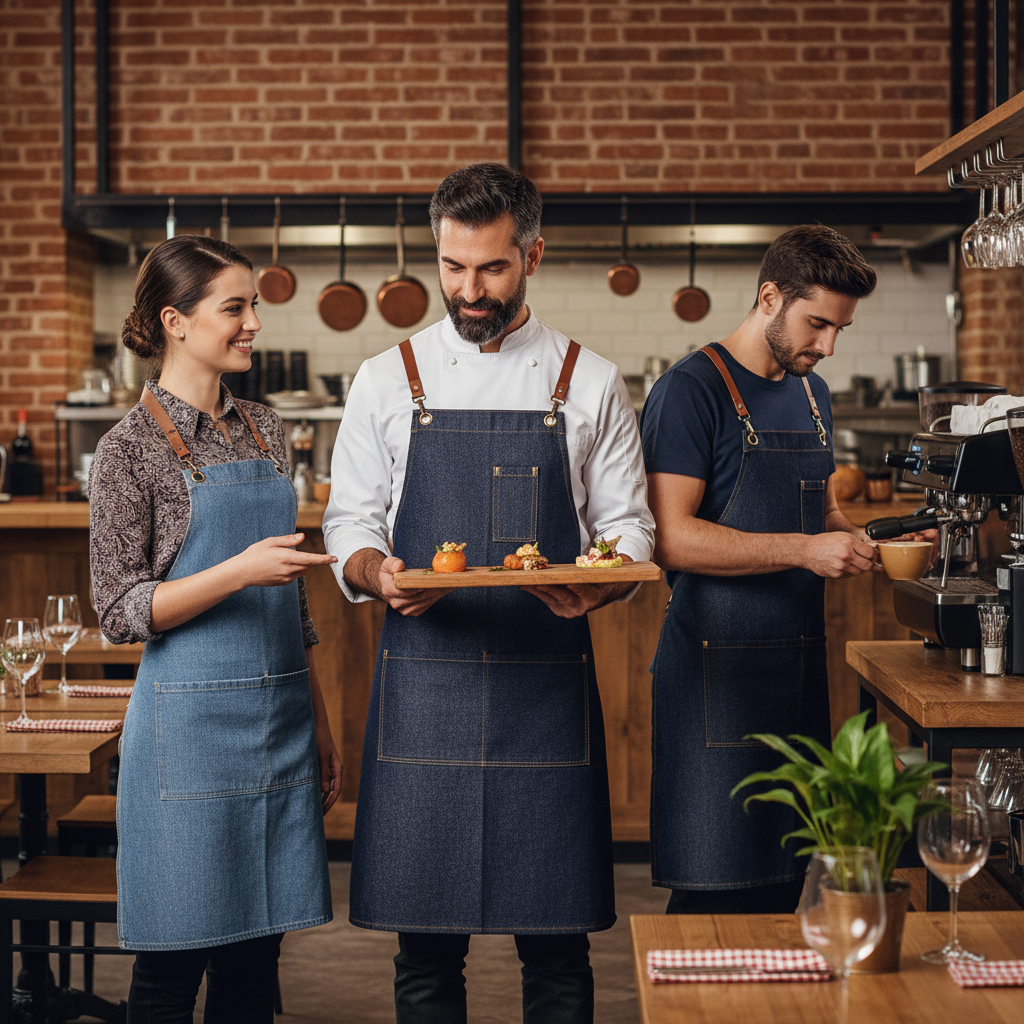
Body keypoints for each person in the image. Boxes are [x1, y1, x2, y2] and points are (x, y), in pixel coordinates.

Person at [323, 162, 654, 1024]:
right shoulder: (386, 378)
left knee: (557, 949)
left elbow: (631, 530)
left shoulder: (588, 379)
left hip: (545, 683)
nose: (470, 290)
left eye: (493, 268)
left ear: (533, 256)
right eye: (454, 267)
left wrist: (601, 586)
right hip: (424, 683)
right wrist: (376, 572)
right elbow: (348, 526)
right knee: (424, 952)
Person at [88, 234, 341, 1024]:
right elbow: (120, 610)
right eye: (235, 307)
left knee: (255, 955)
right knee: (173, 962)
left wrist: (321, 717)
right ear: (175, 320)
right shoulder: (126, 451)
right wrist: (235, 571)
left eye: (253, 305)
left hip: (281, 723)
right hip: (187, 737)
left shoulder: (265, 427)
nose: (254, 323)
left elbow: (288, 601)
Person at [640, 225, 879, 915]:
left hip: (797, 675)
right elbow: (672, 540)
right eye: (817, 324)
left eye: (840, 329)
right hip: (715, 681)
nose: (828, 346)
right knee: (712, 891)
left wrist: (864, 543)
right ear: (769, 296)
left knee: (781, 892)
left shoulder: (814, 395)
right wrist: (805, 551)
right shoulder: (691, 390)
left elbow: (826, 516)